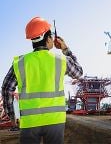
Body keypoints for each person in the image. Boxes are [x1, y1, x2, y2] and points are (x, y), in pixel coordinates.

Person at [1, 16, 83, 144]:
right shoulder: (61, 60)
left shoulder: (20, 62)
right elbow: (79, 72)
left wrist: (12, 116)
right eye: (51, 36)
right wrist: (65, 49)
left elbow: (6, 88)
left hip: (29, 122)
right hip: (55, 121)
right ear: (48, 38)